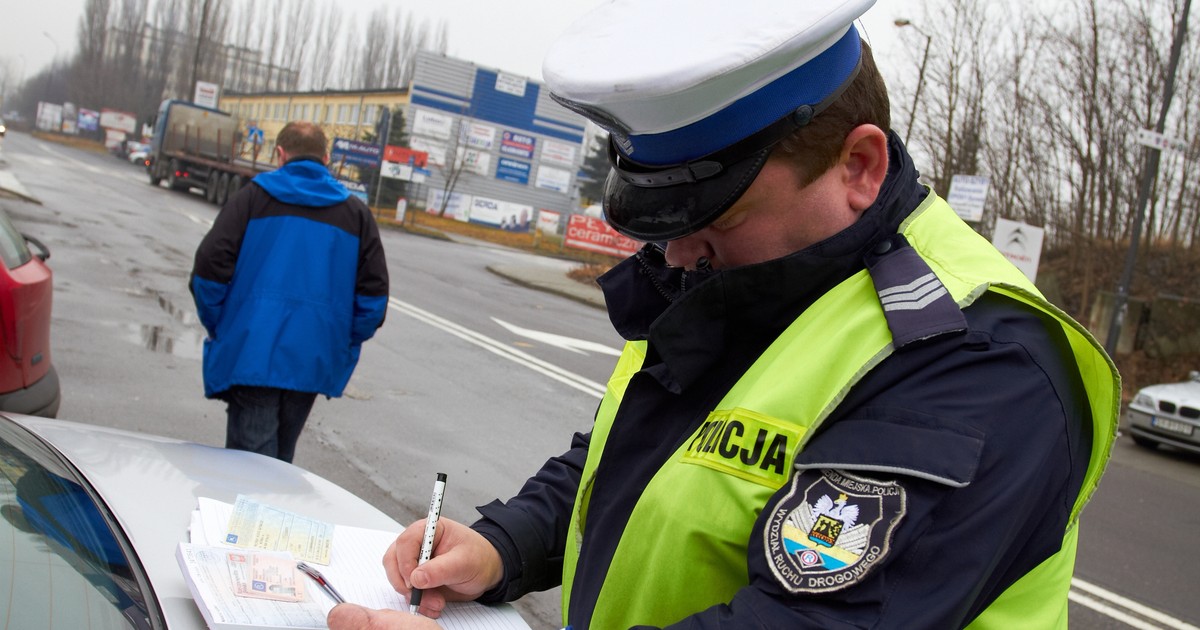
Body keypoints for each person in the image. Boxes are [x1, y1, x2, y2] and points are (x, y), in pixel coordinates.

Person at [329, 0, 1120, 627]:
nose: (678, 258)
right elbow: (638, 455)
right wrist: (509, 544)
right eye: (669, 226)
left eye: (718, 219)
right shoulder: (766, 276)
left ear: (860, 166)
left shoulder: (973, 361)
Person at [191, 121, 388, 463]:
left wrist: (224, 325)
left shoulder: (253, 198)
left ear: (280, 154)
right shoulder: (355, 214)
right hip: (313, 357)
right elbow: (373, 299)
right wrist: (338, 340)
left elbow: (208, 270)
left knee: (249, 469)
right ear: (326, 157)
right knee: (279, 462)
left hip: (253, 349)